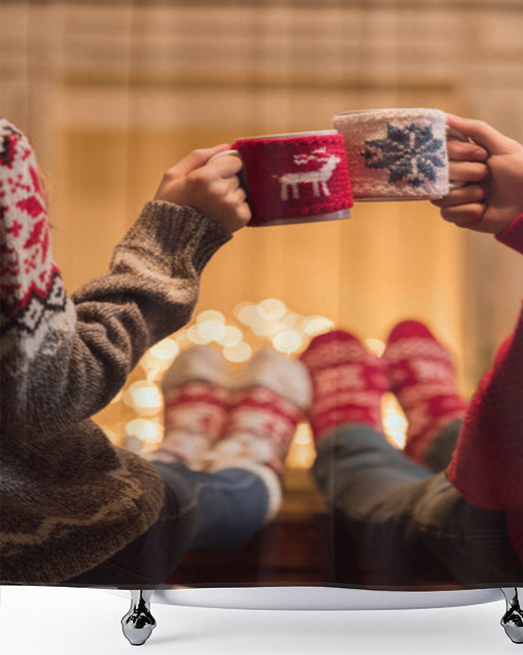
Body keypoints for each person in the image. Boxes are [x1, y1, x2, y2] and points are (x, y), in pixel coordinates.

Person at [303, 73, 523, 589]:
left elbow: (501, 467)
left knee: (383, 494)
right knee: (459, 442)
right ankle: (435, 418)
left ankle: (346, 428)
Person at [0, 118, 310, 586]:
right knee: (188, 495)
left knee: (158, 473)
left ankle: (184, 443)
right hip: (65, 546)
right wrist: (174, 235)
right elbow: (42, 390)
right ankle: (254, 458)